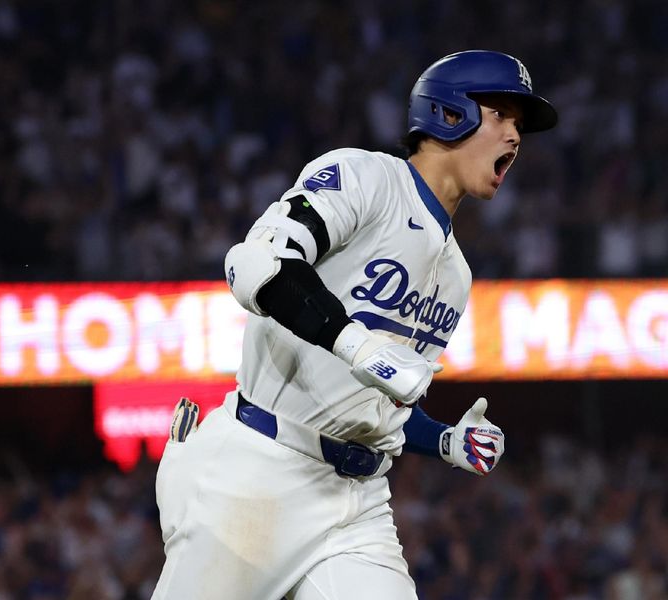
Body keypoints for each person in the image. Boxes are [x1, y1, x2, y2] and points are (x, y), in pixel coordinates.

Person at [152, 50, 558, 600]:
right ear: (450, 113)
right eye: (503, 115)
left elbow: (373, 408)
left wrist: (443, 441)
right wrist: (356, 344)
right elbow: (254, 264)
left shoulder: (456, 275)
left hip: (358, 500)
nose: (516, 135)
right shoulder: (365, 177)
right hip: (259, 471)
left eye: (520, 125)